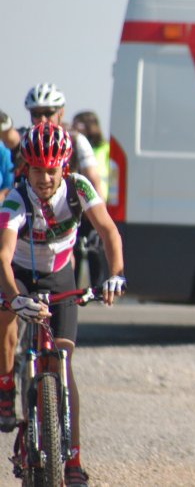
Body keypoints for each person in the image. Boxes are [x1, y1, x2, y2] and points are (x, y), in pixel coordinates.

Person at [0, 122, 126, 487]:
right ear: (26, 169)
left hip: (59, 276)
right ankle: (5, 385)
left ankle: (73, 461)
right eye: (37, 170)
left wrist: (115, 275)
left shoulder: (79, 188)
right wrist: (15, 297)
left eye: (51, 170)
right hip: (20, 274)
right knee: (6, 321)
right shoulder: (16, 198)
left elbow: (108, 231)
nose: (44, 178)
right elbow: (3, 255)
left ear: (64, 168)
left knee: (64, 363)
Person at [71, 111, 110, 288]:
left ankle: (97, 287)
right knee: (77, 249)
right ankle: (74, 288)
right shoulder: (74, 147)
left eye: (79, 125)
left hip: (98, 203)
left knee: (95, 250)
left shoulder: (104, 148)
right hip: (79, 203)